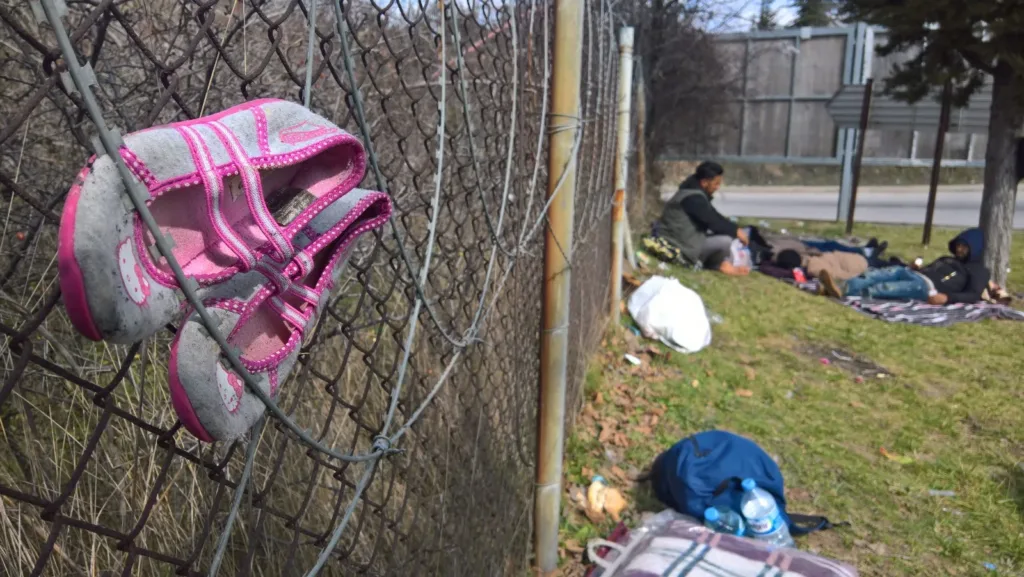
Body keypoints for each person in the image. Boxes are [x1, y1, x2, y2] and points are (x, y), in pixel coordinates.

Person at [819, 228, 990, 305]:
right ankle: (840, 287)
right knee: (873, 274)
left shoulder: (978, 270)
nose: (959, 250)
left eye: (964, 247)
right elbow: (930, 269)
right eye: (958, 245)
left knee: (884, 288)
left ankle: (838, 291)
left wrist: (947, 298)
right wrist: (915, 267)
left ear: (974, 249)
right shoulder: (947, 259)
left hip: (926, 287)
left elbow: (973, 295)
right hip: (913, 273)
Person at [657, 161, 749, 275]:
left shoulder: (692, 193)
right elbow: (713, 222)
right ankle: (720, 266)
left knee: (723, 235)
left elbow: (714, 215)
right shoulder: (693, 199)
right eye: (716, 183)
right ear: (704, 182)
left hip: (682, 241)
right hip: (679, 247)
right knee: (725, 241)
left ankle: (721, 264)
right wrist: (736, 231)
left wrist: (734, 228)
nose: (717, 187)